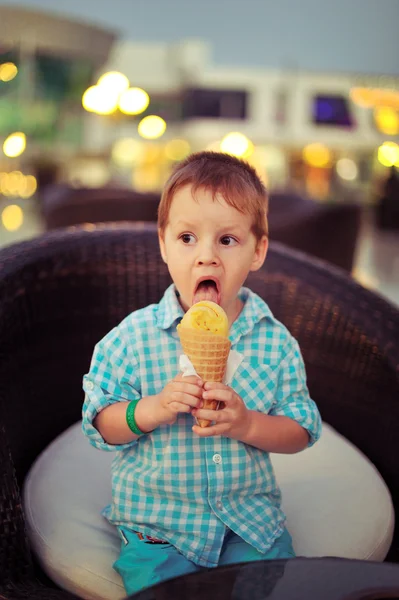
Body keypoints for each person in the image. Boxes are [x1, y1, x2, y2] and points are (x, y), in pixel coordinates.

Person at [82, 151, 322, 596]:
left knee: (274, 589)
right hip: (157, 526)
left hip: (247, 522)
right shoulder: (132, 338)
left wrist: (249, 423)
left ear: (258, 251)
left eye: (227, 240)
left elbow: (301, 429)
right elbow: (99, 423)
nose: (206, 257)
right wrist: (149, 410)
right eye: (188, 237)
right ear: (163, 244)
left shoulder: (275, 343)